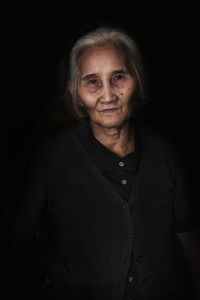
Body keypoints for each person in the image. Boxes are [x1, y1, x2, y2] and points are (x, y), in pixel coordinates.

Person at [6, 25, 200, 300]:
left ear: (138, 80)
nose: (107, 95)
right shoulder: (52, 151)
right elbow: (18, 239)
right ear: (75, 92)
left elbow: (188, 236)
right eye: (92, 81)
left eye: (118, 76)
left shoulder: (165, 150)